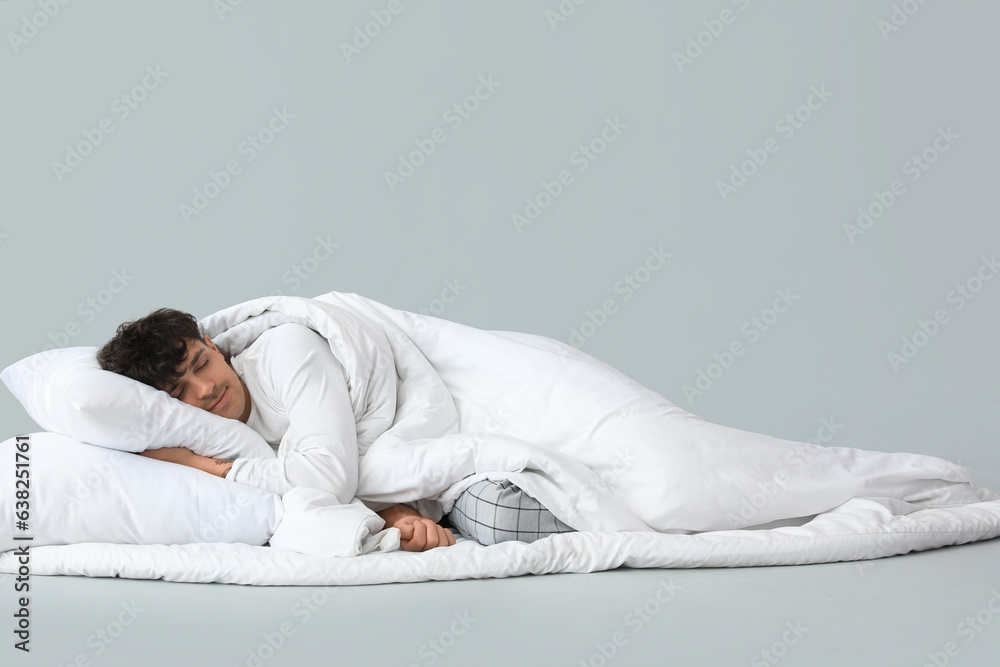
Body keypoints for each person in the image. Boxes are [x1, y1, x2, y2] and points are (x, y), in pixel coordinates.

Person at [97, 308, 575, 551]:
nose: (203, 391)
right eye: (179, 391)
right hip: (405, 487)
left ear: (212, 344)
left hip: (452, 414)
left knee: (514, 508)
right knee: (499, 520)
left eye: (202, 364)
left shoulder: (286, 350)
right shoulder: (190, 431)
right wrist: (393, 513)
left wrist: (204, 468)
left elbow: (329, 478)